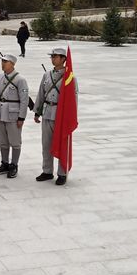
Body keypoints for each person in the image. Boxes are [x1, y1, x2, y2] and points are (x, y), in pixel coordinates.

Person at [33, 47, 78, 186]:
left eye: (55, 56)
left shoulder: (69, 77)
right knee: (46, 144)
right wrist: (37, 111)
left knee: (62, 144)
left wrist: (70, 117)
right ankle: (47, 171)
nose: (52, 59)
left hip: (61, 115)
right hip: (47, 112)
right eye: (52, 56)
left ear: (63, 59)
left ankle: (62, 173)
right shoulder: (47, 75)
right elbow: (41, 93)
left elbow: (73, 99)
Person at [0, 54, 29, 179]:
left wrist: (21, 117)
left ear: (12, 64)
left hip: (13, 114)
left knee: (15, 141)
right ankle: (4, 163)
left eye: (5, 62)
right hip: (0, 112)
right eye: (2, 61)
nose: (3, 64)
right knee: (2, 141)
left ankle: (14, 165)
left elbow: (24, 100)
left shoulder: (20, 79)